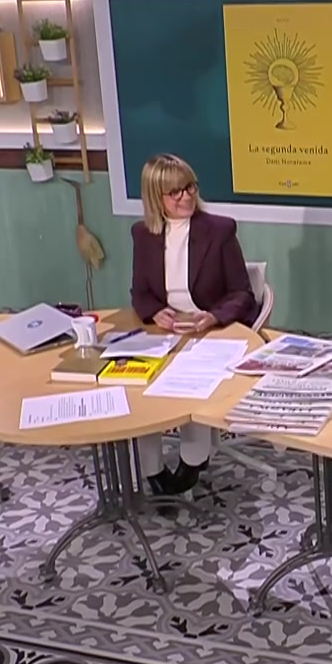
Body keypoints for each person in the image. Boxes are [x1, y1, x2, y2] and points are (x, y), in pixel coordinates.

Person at [128, 154, 259, 497]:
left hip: (209, 329)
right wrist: (155, 311)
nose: (185, 196)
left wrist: (213, 316)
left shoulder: (219, 230)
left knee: (190, 381)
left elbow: (242, 293)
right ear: (156, 197)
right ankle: (153, 471)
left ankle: (192, 463)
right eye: (175, 192)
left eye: (190, 187)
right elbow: (139, 292)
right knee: (137, 383)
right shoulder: (142, 234)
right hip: (165, 332)